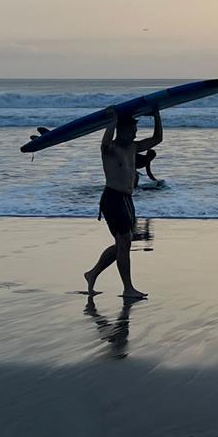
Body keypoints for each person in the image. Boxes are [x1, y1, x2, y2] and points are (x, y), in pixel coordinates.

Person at [83, 107, 162, 299]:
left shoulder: (132, 147)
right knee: (124, 243)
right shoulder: (110, 149)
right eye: (132, 131)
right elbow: (104, 143)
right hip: (113, 198)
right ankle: (128, 288)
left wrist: (157, 115)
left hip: (126, 200)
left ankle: (92, 274)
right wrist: (112, 121)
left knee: (123, 243)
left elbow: (157, 139)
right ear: (122, 130)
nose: (135, 134)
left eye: (136, 131)